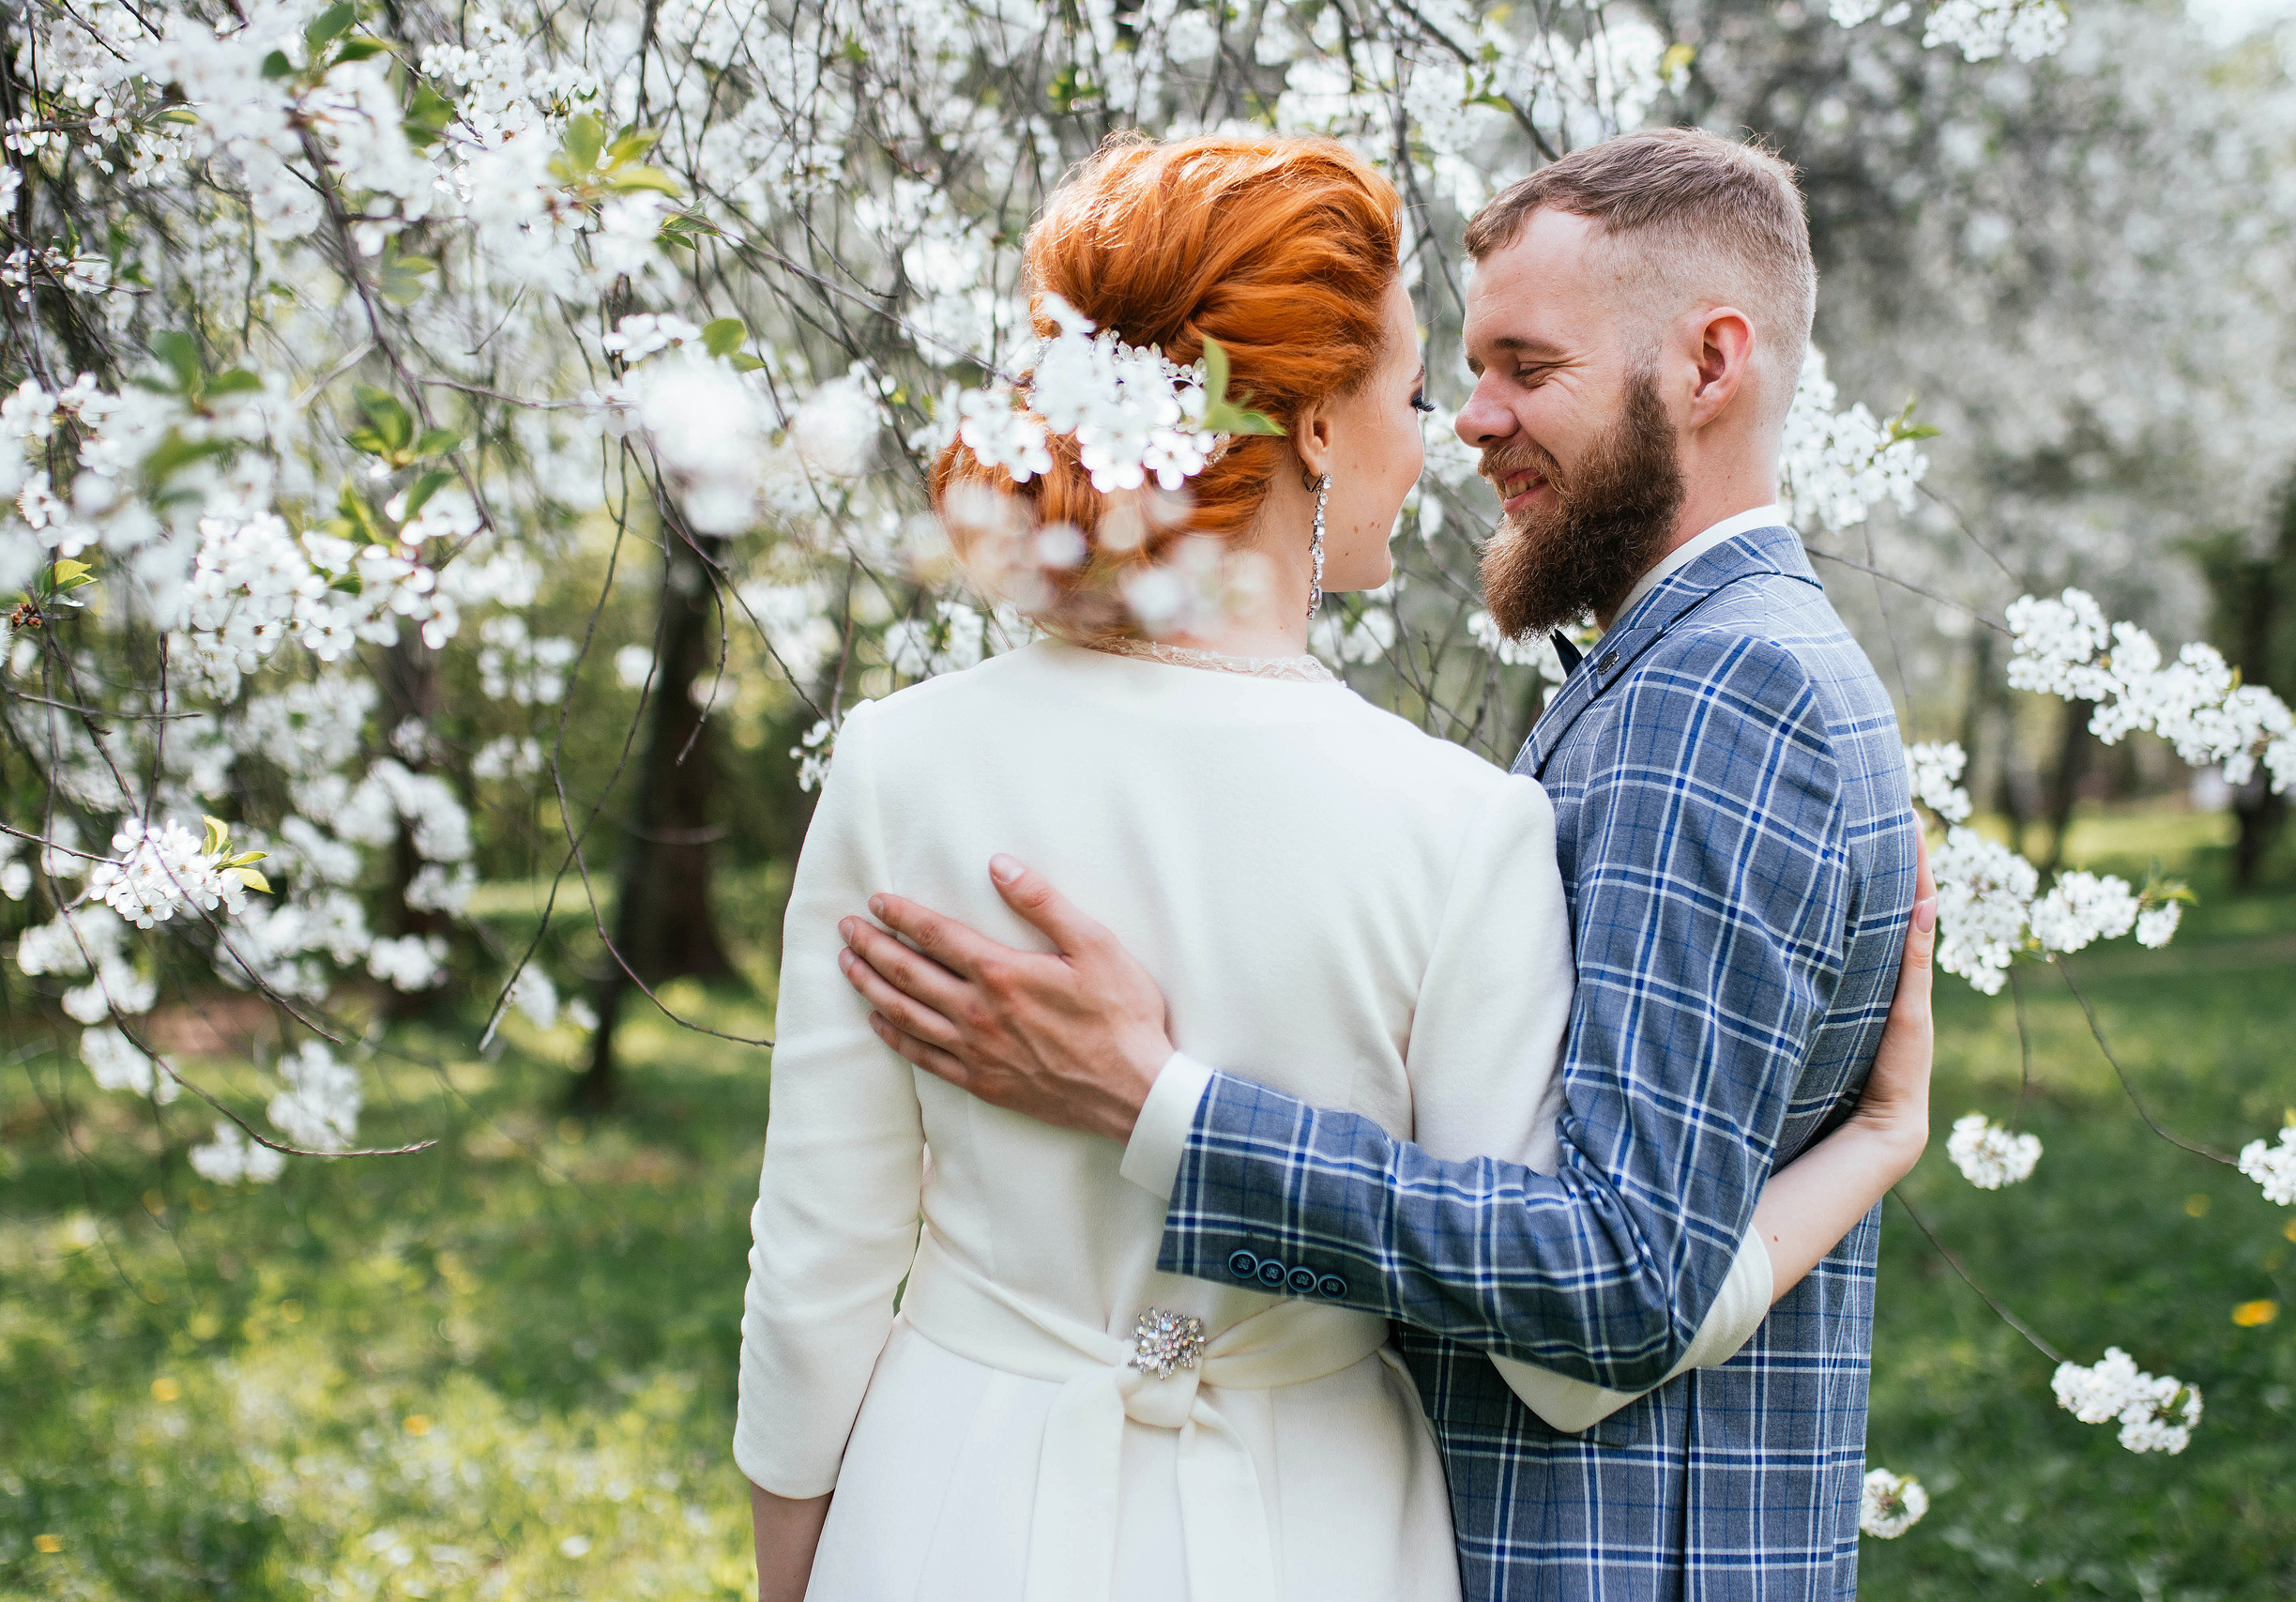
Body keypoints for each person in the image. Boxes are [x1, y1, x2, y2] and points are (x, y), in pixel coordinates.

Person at [746, 131, 1931, 1602]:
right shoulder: (1457, 826)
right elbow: (1570, 1362)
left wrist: (793, 1572)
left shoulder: (898, 762)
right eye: (1423, 389)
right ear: (1313, 426)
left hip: (945, 1503)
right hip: (1315, 1532)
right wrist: (1876, 1147)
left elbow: (818, 1268)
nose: (1452, 430)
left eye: (1512, 374)